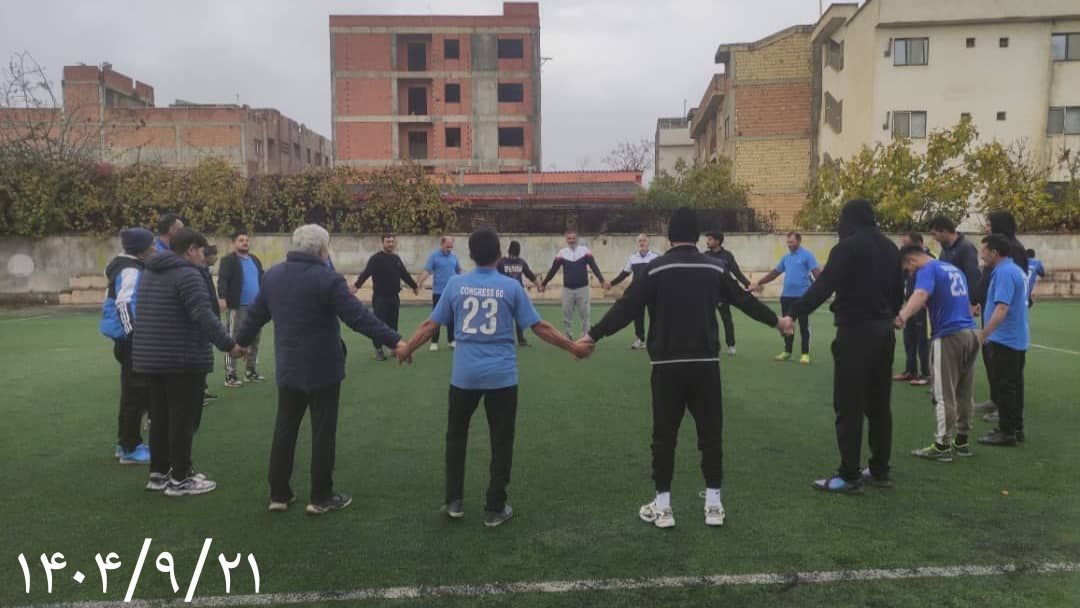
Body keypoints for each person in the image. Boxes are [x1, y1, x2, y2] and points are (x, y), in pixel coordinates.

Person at [580, 208, 787, 529]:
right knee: (711, 435)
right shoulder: (714, 268)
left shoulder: (655, 269)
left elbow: (626, 308)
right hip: (706, 366)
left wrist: (593, 335)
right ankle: (714, 505)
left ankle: (663, 508)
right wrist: (777, 322)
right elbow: (744, 300)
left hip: (667, 367)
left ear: (669, 236)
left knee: (664, 436)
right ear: (697, 236)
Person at [401, 228, 585, 527]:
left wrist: (408, 347)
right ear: (499, 255)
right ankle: (494, 508)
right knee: (501, 441)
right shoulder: (510, 287)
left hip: (464, 377)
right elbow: (539, 327)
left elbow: (430, 325)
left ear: (470, 255)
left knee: (456, 436)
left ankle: (454, 501)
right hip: (502, 377)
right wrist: (572, 346)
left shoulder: (456, 284)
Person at [236, 225, 408, 515]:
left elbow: (255, 316)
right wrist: (396, 340)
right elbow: (358, 317)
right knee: (323, 432)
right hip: (324, 368)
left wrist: (239, 343)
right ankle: (321, 496)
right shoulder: (328, 279)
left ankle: (279, 494)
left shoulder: (273, 276)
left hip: (289, 367)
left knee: (285, 428)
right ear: (321, 250)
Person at [782, 199, 903, 494]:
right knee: (879, 404)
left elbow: (824, 286)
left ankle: (849, 475)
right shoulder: (891, 248)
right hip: (884, 332)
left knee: (849, 404)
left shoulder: (847, 248)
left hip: (855, 332)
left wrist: (793, 313)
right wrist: (888, 315)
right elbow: (898, 290)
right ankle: (880, 469)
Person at [133, 228, 246, 497]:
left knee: (160, 417)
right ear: (191, 250)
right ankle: (181, 477)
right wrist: (229, 345)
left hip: (152, 358)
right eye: (202, 251)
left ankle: (159, 473)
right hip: (182, 358)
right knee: (182, 419)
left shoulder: (150, 272)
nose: (204, 257)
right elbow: (204, 316)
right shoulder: (188, 275)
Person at [895, 246, 979, 462]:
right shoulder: (952, 268)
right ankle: (962, 441)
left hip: (948, 335)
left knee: (943, 394)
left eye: (908, 270)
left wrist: (902, 316)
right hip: (970, 333)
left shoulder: (927, 269)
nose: (910, 274)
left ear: (912, 261)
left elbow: (921, 293)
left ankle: (942, 445)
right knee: (964, 392)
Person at [101, 228, 155, 464]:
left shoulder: (126, 266)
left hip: (127, 340)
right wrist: (135, 336)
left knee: (132, 394)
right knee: (136, 394)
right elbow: (124, 304)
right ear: (141, 248)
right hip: (131, 341)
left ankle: (125, 443)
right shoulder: (130, 270)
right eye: (151, 244)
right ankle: (130, 447)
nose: (154, 248)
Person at [976, 235, 1030, 447]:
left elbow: (1001, 308)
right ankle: (1015, 428)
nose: (981, 255)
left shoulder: (1005, 272)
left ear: (994, 252)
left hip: (1005, 339)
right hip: (1015, 337)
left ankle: (1007, 432)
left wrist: (984, 333)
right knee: (1014, 385)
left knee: (1005, 386)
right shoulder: (1013, 269)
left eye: (984, 250)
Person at [752, 231, 821, 364]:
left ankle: (805, 354)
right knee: (787, 326)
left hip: (802, 297)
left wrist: (823, 288)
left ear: (799, 241)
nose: (789, 245)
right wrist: (760, 282)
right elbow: (775, 273)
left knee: (804, 325)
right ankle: (787, 352)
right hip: (786, 297)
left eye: (792, 242)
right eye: (788, 242)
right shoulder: (786, 257)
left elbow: (817, 273)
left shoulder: (807, 255)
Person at [355, 233, 420, 361]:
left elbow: (404, 274)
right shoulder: (376, 259)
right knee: (378, 324)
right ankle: (378, 349)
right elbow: (366, 273)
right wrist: (357, 285)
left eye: (392, 242)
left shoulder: (396, 259)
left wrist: (414, 286)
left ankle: (393, 348)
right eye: (388, 242)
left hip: (394, 297)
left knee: (393, 324)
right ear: (382, 243)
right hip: (380, 298)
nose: (390, 244)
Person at [541, 230, 610, 339]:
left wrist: (602, 281)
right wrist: (544, 283)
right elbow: (553, 270)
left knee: (585, 315)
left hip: (583, 289)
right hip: (567, 290)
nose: (571, 240)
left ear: (577, 239)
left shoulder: (585, 251)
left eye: (573, 238)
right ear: (566, 239)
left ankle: (586, 336)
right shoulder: (562, 253)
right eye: (569, 238)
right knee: (566, 315)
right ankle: (568, 336)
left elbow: (594, 266)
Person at [217, 230, 265, 387]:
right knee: (233, 340)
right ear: (234, 243)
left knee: (255, 339)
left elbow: (262, 279)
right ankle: (230, 375)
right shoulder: (228, 260)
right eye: (241, 240)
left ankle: (251, 371)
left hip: (256, 307)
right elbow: (223, 280)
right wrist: (222, 298)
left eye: (246, 240)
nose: (245, 242)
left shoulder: (255, 259)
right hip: (237, 307)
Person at [893, 232, 933, 386]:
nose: (904, 247)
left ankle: (926, 373)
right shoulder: (906, 261)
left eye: (907, 244)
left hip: (923, 307)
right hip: (909, 304)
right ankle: (910, 370)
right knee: (909, 339)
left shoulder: (929, 261)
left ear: (917, 244)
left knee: (923, 340)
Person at [705, 231, 751, 356]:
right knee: (708, 320)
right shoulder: (705, 255)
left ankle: (731, 345)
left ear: (717, 241)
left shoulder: (727, 256)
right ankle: (712, 345)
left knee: (726, 319)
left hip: (723, 293)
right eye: (707, 239)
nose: (707, 242)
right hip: (708, 293)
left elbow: (736, 272)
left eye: (710, 239)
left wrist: (748, 284)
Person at [610, 234, 659, 350]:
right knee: (638, 316)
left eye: (644, 241)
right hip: (638, 292)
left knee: (654, 316)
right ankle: (640, 339)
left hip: (652, 291)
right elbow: (624, 273)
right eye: (640, 241)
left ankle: (655, 340)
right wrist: (611, 283)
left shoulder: (655, 257)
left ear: (648, 242)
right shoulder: (633, 258)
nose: (642, 243)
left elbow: (660, 274)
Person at [416, 236, 463, 352]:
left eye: (451, 247)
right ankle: (434, 342)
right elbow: (427, 270)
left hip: (452, 292)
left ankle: (451, 340)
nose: (449, 249)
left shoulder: (454, 257)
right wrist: (419, 283)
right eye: (447, 247)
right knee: (436, 318)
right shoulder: (434, 256)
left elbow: (459, 271)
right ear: (442, 244)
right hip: (438, 292)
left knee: (452, 317)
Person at [496, 240, 544, 347]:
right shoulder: (501, 262)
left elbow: (529, 274)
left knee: (519, 317)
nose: (513, 258)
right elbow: (494, 275)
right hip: (504, 293)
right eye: (512, 255)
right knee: (504, 316)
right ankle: (503, 338)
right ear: (509, 252)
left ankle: (521, 340)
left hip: (518, 293)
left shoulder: (521, 262)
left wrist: (538, 285)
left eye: (515, 256)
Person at [928, 215, 981, 306]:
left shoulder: (966, 247)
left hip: (962, 301)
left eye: (934, 234)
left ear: (944, 231)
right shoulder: (945, 248)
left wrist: (972, 302)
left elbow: (972, 276)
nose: (934, 238)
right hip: (948, 300)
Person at [200, 244, 221, 408]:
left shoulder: (206, 272)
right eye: (214, 254)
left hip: (210, 318)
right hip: (203, 322)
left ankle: (203, 389)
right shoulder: (199, 273)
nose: (216, 257)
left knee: (206, 355)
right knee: (201, 356)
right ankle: (198, 392)